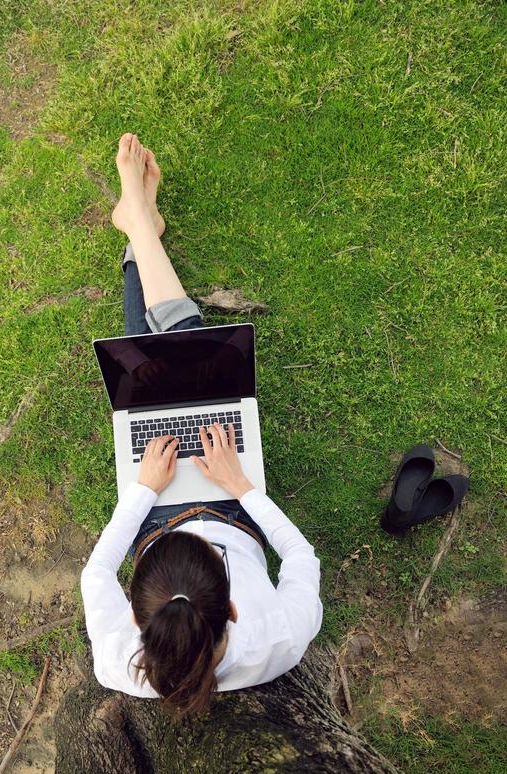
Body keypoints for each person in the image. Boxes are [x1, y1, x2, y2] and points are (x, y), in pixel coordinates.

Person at [80, 133, 323, 720]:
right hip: (233, 505)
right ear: (233, 612)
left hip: (155, 510)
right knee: (186, 357)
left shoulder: (119, 660)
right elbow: (300, 558)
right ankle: (138, 230)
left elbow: (95, 570)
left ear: (142, 622)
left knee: (169, 373)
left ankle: (139, 229)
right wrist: (242, 489)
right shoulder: (278, 641)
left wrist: (145, 490)